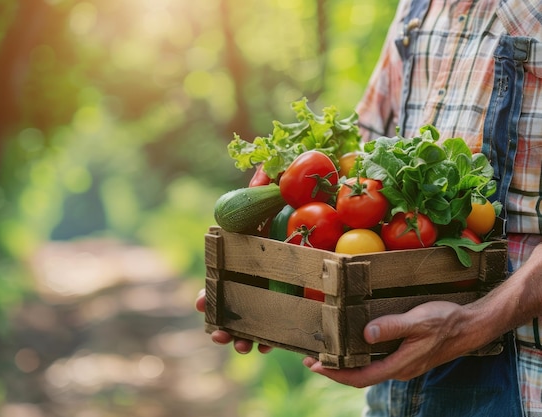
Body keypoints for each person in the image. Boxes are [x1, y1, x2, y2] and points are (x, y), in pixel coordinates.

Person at [196, 0, 542, 415]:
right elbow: (364, 159)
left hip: (523, 378)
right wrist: (281, 280)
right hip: (393, 373)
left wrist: (476, 322)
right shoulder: (419, 7)